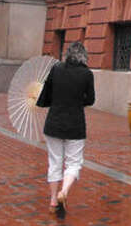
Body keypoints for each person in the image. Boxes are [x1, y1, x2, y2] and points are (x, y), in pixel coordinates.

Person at [36, 41, 95, 216]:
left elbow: (45, 97)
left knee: (54, 162)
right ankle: (65, 191)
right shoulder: (87, 74)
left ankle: (53, 200)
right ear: (84, 56)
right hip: (75, 125)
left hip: (54, 123)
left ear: (66, 54)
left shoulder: (56, 69)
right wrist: (77, 101)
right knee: (74, 163)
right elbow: (90, 99)